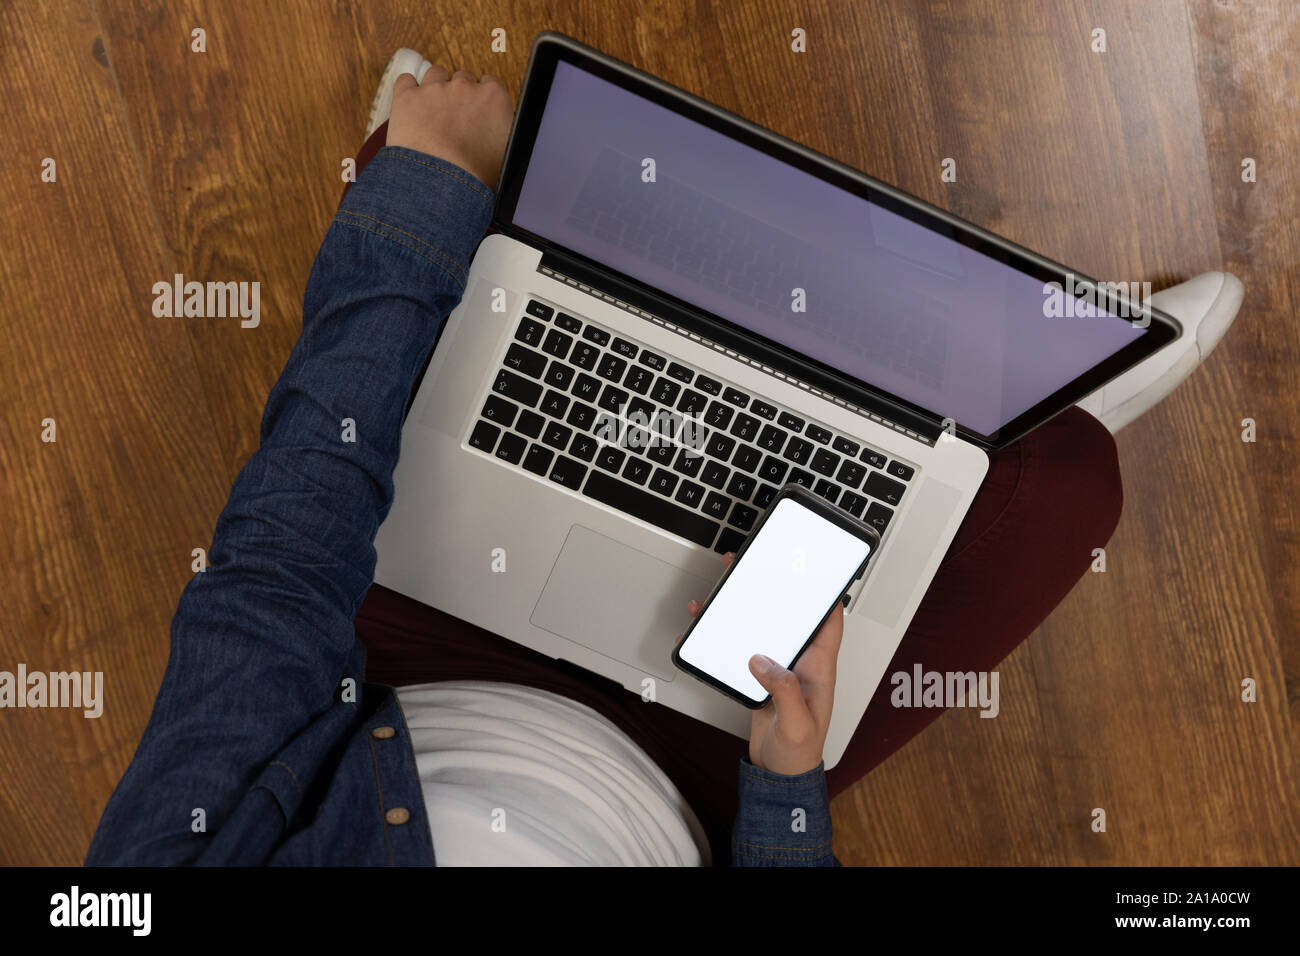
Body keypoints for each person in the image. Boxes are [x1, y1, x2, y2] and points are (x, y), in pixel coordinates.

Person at [85, 50, 1243, 867]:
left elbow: (275, 584)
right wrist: (785, 788)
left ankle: (993, 407)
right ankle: (1025, 402)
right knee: (1072, 479)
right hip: (704, 756)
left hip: (415, 662)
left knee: (410, 169)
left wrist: (420, 187)